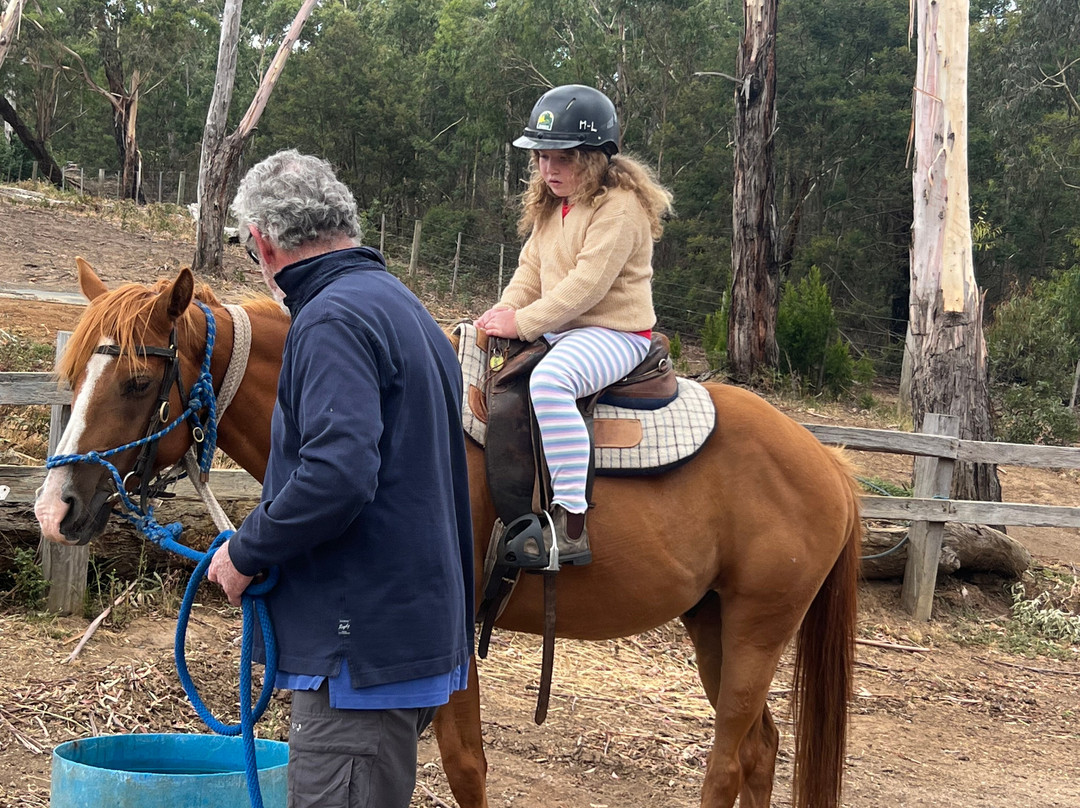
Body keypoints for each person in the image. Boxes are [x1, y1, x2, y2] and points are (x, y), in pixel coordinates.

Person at [207, 149, 474, 808]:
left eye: (248, 249)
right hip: (401, 641)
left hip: (355, 653)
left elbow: (338, 472)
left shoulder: (330, 318)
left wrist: (248, 548)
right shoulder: (405, 309)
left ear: (263, 243)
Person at [474, 84, 674, 567]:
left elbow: (588, 285)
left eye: (562, 158)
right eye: (541, 157)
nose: (549, 169)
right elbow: (529, 272)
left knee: (550, 381)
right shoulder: (551, 205)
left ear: (595, 156)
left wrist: (523, 322)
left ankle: (570, 523)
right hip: (564, 329)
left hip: (616, 333)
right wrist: (501, 314)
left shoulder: (619, 207)